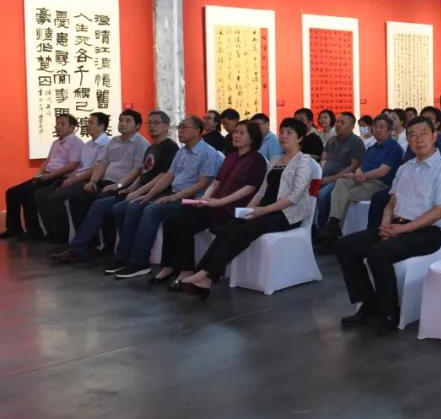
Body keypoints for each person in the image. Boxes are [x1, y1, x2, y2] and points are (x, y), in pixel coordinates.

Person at [336, 116, 441, 334]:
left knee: (378, 253)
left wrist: (402, 230)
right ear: (407, 140)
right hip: (396, 226)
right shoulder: (406, 168)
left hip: (426, 232)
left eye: (423, 133)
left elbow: (438, 212)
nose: (418, 139)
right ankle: (368, 304)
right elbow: (392, 201)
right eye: (412, 135)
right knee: (346, 246)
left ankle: (388, 313)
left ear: (434, 136)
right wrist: (385, 223)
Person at [178, 118, 316, 299]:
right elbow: (261, 191)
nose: (283, 136)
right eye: (282, 132)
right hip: (265, 211)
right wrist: (247, 211)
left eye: (289, 133)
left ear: (300, 138)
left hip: (286, 215)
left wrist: (261, 211)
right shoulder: (275, 160)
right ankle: (204, 274)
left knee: (245, 230)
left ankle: (207, 275)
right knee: (233, 225)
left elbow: (293, 198)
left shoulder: (303, 162)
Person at [105, 115, 224, 279]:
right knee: (126, 206)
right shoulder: (182, 152)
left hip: (190, 201)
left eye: (184, 127)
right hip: (173, 194)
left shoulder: (208, 153)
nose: (180, 131)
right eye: (179, 127)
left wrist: (172, 198)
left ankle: (139, 262)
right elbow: (168, 176)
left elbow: (202, 184)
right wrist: (148, 195)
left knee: (151, 210)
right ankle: (122, 257)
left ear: (197, 131)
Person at [152, 120, 267, 285]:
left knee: (184, 224)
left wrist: (219, 202)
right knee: (171, 220)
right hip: (213, 204)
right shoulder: (231, 157)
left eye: (242, 133)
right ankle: (169, 265)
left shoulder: (257, 161)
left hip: (230, 210)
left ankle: (186, 270)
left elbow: (249, 189)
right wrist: (204, 199)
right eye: (235, 132)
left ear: (253, 138)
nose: (236, 135)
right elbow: (216, 183)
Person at [52, 111, 177, 262]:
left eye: (127, 121)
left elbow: (140, 171)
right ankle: (87, 245)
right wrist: (93, 181)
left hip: (124, 185)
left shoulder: (145, 144)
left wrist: (123, 187)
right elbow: (103, 162)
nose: (122, 123)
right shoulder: (116, 142)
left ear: (137, 125)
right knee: (78, 197)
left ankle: (107, 249)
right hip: (113, 184)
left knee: (102, 203)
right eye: (121, 120)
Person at [317, 115, 403, 245]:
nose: (378, 130)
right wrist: (357, 172)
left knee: (340, 193)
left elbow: (382, 171)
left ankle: (332, 228)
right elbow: (361, 166)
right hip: (362, 180)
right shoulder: (372, 148)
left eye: (382, 127)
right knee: (342, 182)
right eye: (376, 127)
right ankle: (333, 225)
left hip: (379, 184)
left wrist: (362, 175)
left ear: (389, 131)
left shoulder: (393, 147)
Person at [2, 113, 83, 240]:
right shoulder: (56, 142)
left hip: (59, 177)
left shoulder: (76, 143)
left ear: (72, 127)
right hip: (46, 175)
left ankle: (34, 230)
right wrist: (39, 173)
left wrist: (50, 176)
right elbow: (47, 160)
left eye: (63, 124)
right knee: (12, 192)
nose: (58, 127)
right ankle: (14, 228)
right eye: (57, 124)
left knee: (29, 193)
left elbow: (72, 166)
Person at [35, 112, 111, 243]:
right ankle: (56, 234)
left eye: (91, 122)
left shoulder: (106, 145)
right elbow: (81, 167)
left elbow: (94, 169)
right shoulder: (88, 145)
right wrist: (70, 177)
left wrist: (72, 179)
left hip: (93, 180)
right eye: (87, 122)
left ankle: (66, 237)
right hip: (78, 178)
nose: (87, 125)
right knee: (42, 194)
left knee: (56, 198)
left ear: (102, 126)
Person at [316, 112, 366, 228]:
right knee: (306, 192)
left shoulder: (356, 142)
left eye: (342, 123)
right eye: (337, 122)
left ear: (352, 126)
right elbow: (324, 159)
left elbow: (353, 167)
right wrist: (320, 175)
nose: (338, 125)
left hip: (340, 180)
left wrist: (330, 179)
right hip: (324, 177)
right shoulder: (332, 140)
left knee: (323, 195)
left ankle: (324, 229)